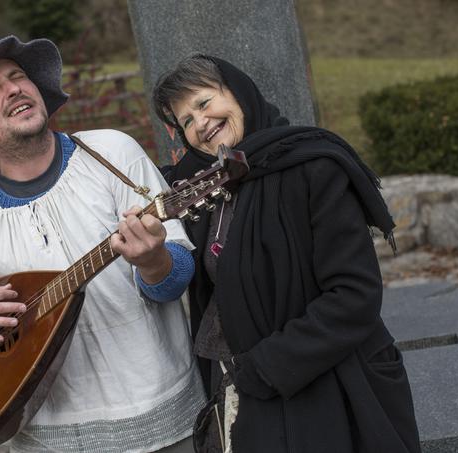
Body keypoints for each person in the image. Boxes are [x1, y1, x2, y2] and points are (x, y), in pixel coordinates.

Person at [0, 35, 206, 453]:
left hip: (166, 424)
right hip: (48, 441)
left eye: (18, 76)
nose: (14, 88)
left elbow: (177, 277)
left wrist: (154, 263)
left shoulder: (111, 153)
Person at [152, 54, 421, 453]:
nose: (200, 123)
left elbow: (354, 295)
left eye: (204, 103)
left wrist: (264, 368)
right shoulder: (206, 190)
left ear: (238, 92)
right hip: (252, 398)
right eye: (186, 121)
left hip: (335, 390)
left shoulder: (313, 166)